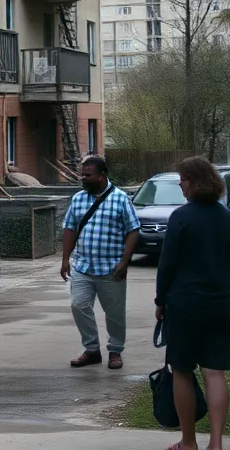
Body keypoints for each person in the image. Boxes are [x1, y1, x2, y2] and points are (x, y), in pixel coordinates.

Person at [155, 157, 230, 450]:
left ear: (193, 181)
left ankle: (189, 441)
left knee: (181, 369)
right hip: (221, 301)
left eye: (182, 179)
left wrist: (160, 300)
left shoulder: (181, 217)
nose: (180, 184)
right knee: (214, 371)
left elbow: (167, 265)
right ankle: (216, 443)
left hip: (184, 303)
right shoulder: (229, 218)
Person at [60, 155, 141, 369]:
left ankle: (115, 351)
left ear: (101, 176)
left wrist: (125, 261)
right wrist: (65, 259)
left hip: (112, 269)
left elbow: (133, 231)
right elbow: (69, 228)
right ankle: (92, 349)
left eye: (87, 175)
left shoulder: (121, 199)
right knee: (79, 305)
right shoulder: (78, 199)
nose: (82, 178)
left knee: (114, 313)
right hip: (83, 266)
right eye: (81, 174)